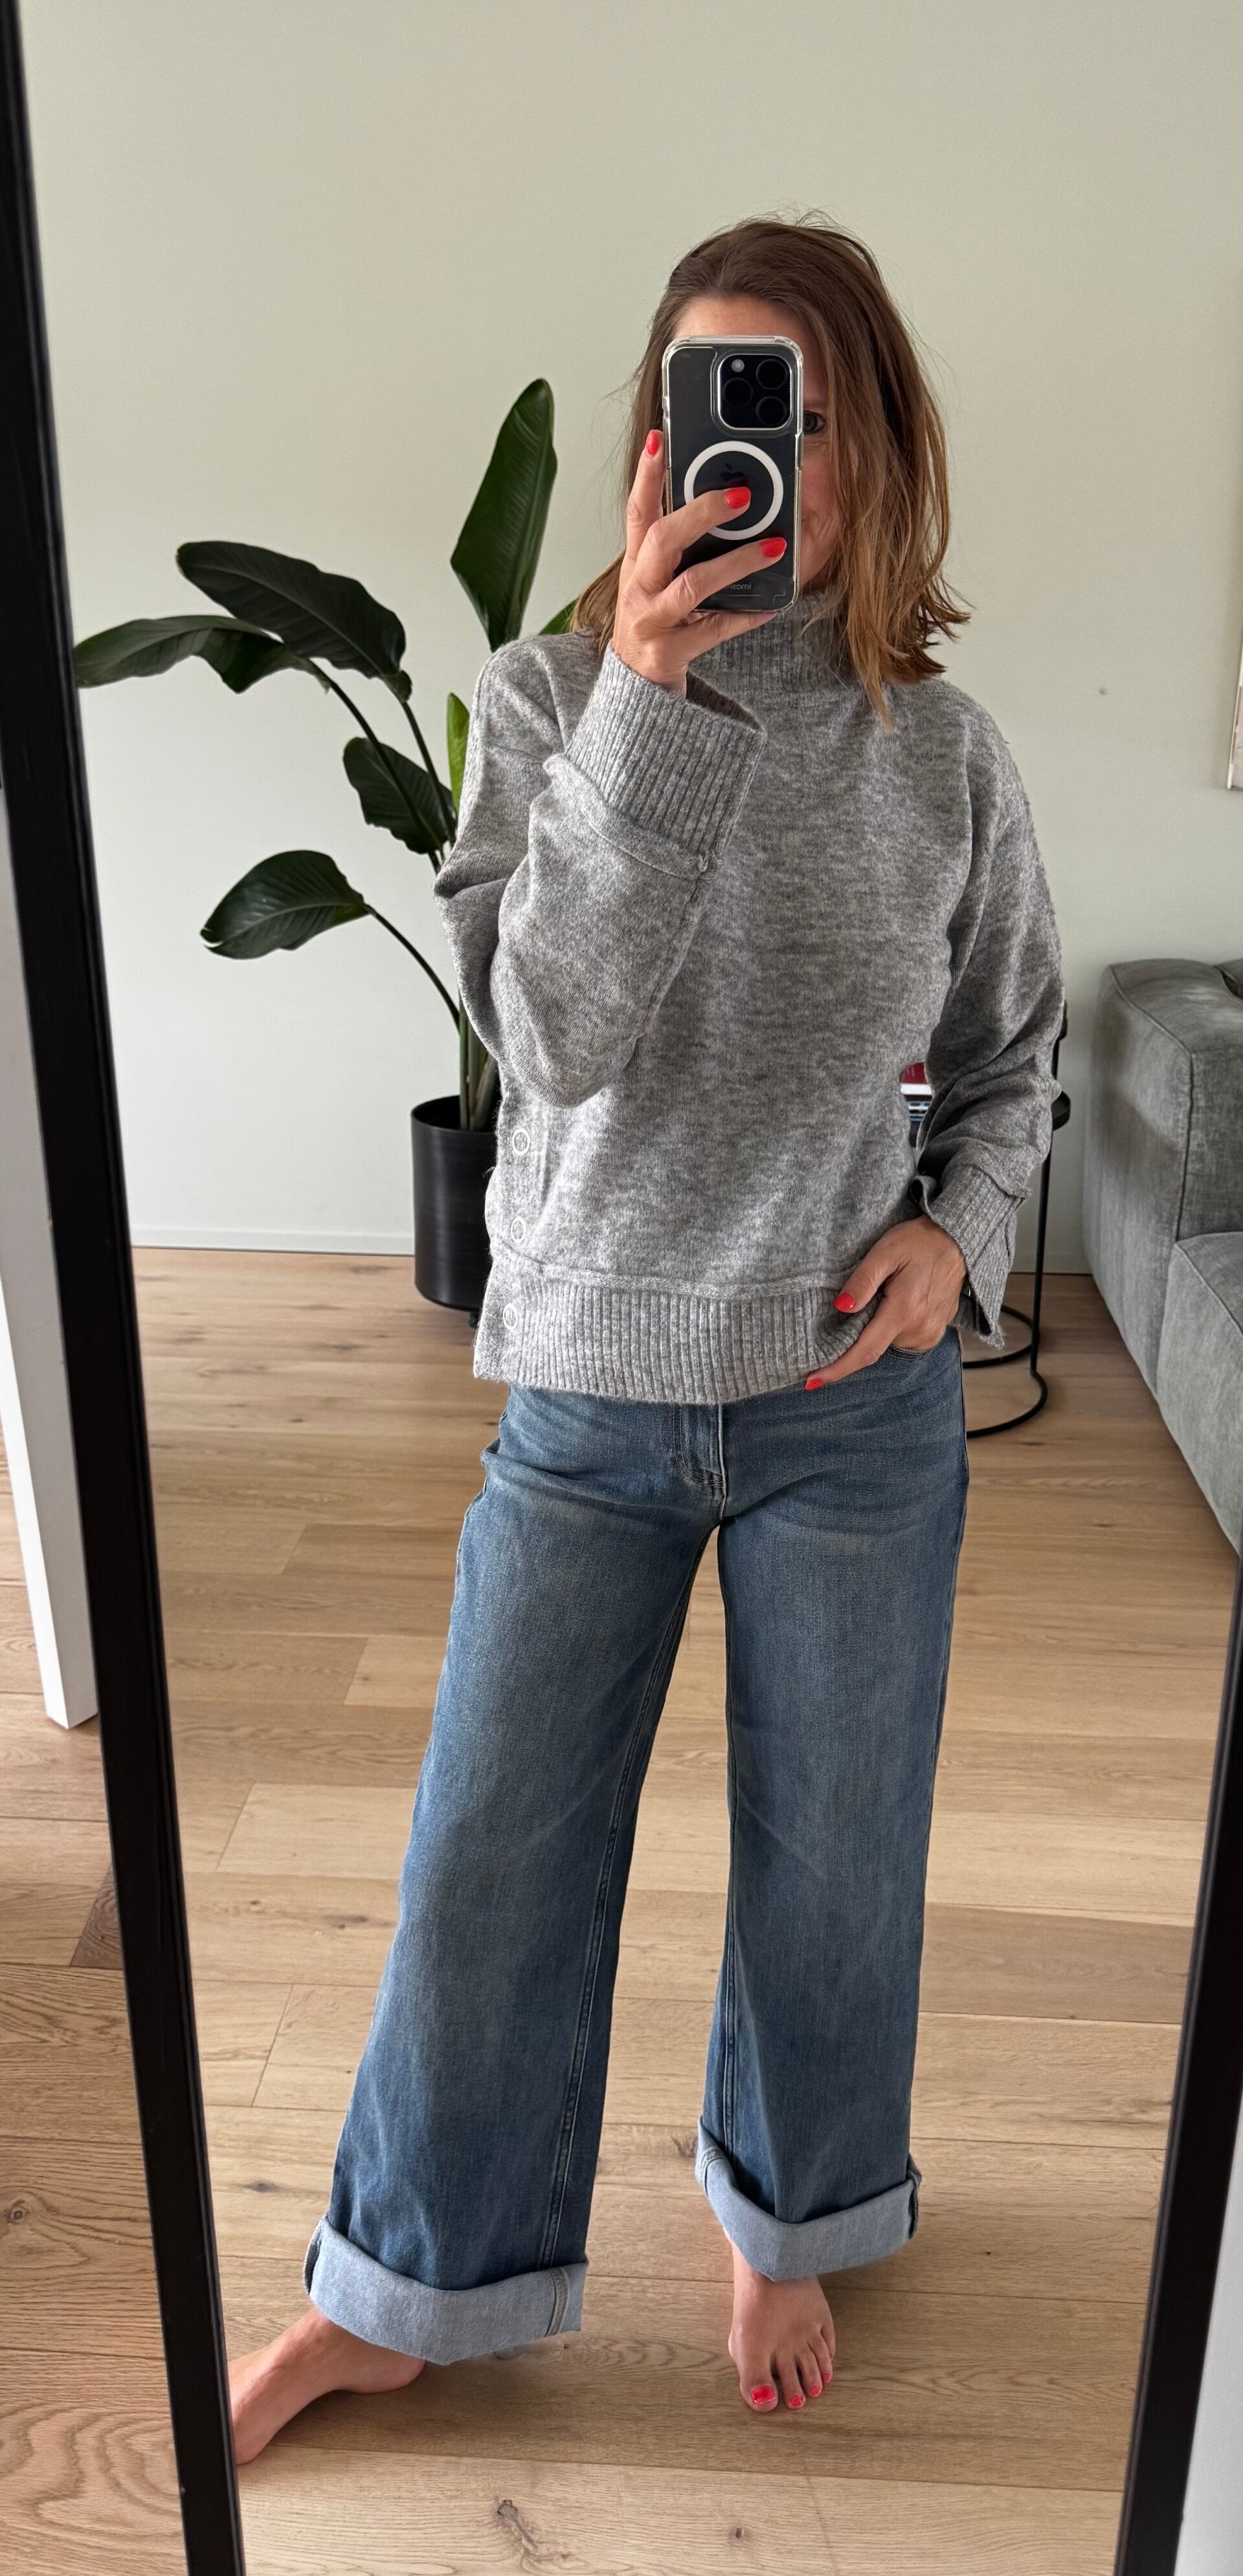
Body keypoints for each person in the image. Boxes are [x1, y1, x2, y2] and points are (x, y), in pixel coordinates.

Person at [230, 214, 1062, 2460]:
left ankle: (787, 2209)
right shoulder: (542, 708)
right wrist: (647, 710)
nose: (756, 462)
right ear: (658, 447)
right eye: (716, 409)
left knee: (837, 1859)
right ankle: (409, 2283)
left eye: (801, 413)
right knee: (491, 1849)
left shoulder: (945, 753)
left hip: (851, 1400)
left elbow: (1015, 1055)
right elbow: (555, 1039)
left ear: (873, 448)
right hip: (593, 1386)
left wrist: (957, 1236)